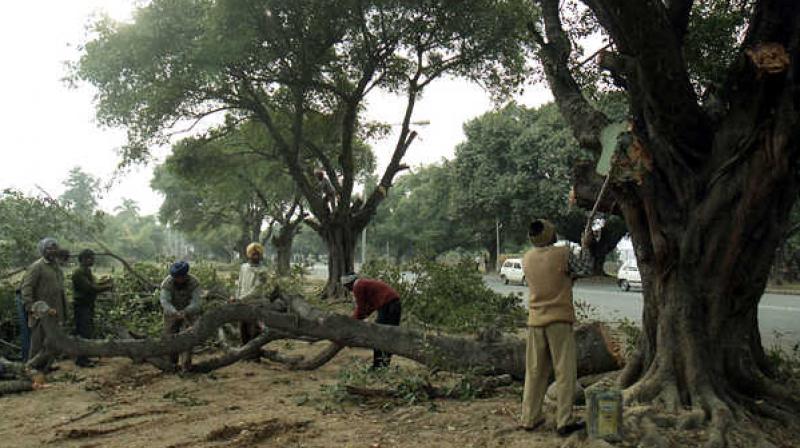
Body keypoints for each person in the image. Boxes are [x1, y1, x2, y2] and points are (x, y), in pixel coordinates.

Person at [520, 219, 593, 436]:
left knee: (534, 372)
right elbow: (586, 268)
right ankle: (564, 421)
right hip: (559, 320)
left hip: (535, 321)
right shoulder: (563, 253)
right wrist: (586, 245)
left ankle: (529, 418)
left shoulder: (527, 258)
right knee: (564, 372)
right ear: (551, 234)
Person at [21, 237, 67, 371]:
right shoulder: (37, 267)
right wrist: (31, 307)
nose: (52, 251)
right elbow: (27, 288)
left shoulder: (56, 267)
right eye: (49, 248)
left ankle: (47, 365)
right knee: (37, 341)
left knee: (52, 339)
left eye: (54, 248)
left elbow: (60, 289)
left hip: (55, 310)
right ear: (42, 250)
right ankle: (33, 369)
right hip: (41, 311)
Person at [341, 272, 402, 370]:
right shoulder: (364, 284)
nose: (346, 289)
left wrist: (352, 321)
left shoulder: (358, 286)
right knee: (389, 336)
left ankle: (378, 366)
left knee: (378, 335)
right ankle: (383, 365)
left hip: (389, 306)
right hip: (393, 305)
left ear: (349, 283)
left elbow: (361, 308)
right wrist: (360, 317)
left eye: (345, 286)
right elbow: (369, 307)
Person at [71, 249, 113, 367]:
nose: (92, 260)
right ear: (82, 260)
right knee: (83, 332)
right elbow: (90, 289)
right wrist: (107, 287)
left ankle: (85, 357)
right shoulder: (78, 273)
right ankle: (81, 359)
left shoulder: (87, 271)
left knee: (87, 332)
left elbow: (93, 286)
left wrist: (103, 284)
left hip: (88, 305)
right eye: (89, 258)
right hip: (81, 306)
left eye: (92, 258)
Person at [159, 261, 203, 371]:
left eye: (180, 277)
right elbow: (165, 302)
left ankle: (186, 365)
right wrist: (174, 312)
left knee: (188, 337)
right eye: (176, 277)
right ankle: (171, 364)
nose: (178, 279)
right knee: (170, 337)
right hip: (171, 313)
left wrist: (186, 311)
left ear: (185, 275)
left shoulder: (194, 283)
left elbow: (196, 303)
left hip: (189, 312)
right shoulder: (167, 283)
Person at [230, 242, 268, 359]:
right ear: (249, 255)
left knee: (254, 330)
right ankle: (244, 354)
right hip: (242, 303)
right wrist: (235, 297)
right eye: (253, 254)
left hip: (256, 304)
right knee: (243, 329)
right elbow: (239, 285)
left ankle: (254, 356)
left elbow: (256, 291)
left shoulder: (263, 271)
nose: (255, 256)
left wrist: (239, 299)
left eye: (257, 254)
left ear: (260, 255)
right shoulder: (244, 267)